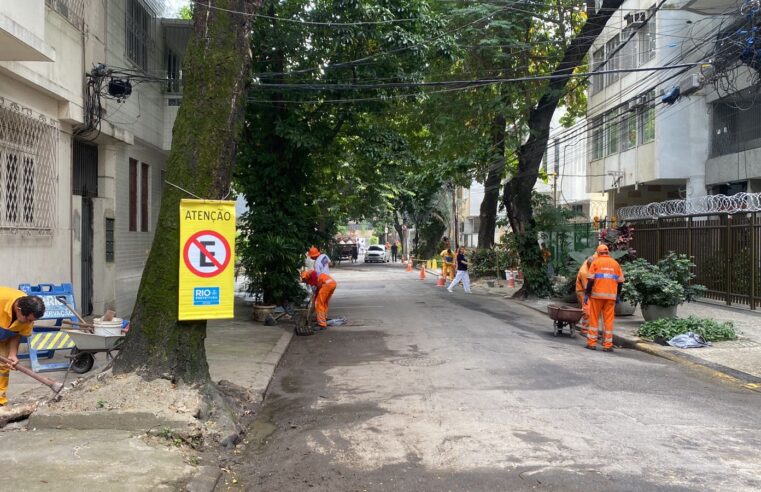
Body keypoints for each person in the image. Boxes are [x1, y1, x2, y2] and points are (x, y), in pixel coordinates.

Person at [0, 287, 45, 406]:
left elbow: (18, 332)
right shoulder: (1, 298)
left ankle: (0, 402)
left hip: (3, 334)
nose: (29, 323)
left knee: (3, 366)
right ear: (18, 309)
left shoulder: (27, 314)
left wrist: (13, 354)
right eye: (28, 320)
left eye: (32, 321)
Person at [584, 244, 624, 352]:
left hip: (597, 296)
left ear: (598, 253)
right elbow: (620, 282)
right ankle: (607, 345)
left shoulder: (595, 262)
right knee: (608, 321)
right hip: (611, 297)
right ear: (608, 253)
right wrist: (618, 295)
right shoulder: (615, 264)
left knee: (594, 319)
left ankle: (591, 343)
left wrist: (587, 294)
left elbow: (590, 280)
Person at [575, 253, 597, 335]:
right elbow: (587, 288)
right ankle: (584, 330)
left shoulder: (590, 261)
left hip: (587, 290)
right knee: (587, 310)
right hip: (582, 291)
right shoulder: (584, 272)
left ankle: (589, 328)